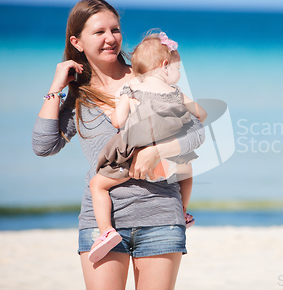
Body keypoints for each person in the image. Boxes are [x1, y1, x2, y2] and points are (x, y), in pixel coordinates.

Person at [32, 0, 205, 290]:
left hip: (160, 214)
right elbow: (44, 145)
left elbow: (196, 133)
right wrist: (55, 88)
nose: (110, 39)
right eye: (99, 32)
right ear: (77, 42)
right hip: (102, 225)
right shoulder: (79, 97)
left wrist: (155, 152)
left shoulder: (149, 76)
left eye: (115, 29)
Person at [88, 31, 207, 263]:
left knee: (98, 186)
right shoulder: (176, 93)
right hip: (170, 163)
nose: (180, 74)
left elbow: (117, 122)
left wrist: (128, 105)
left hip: (132, 161)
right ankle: (182, 211)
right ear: (165, 66)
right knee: (188, 170)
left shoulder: (131, 88)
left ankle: (105, 231)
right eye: (178, 68)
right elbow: (201, 114)